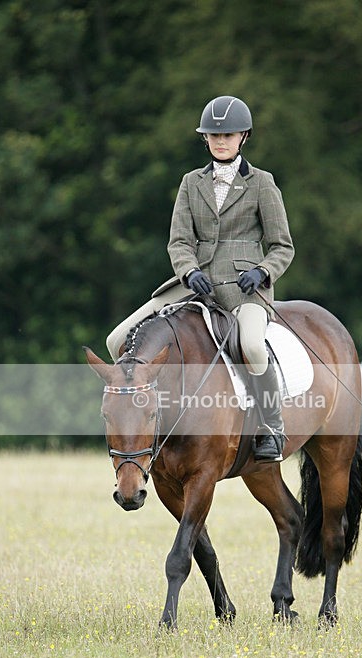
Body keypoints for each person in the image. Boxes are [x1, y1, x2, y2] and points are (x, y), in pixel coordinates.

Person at [106, 95, 295, 462]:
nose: (220, 141)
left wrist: (262, 271)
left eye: (228, 135)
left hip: (245, 289)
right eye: (213, 135)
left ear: (243, 137)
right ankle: (146, 422)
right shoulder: (191, 183)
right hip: (194, 283)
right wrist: (189, 271)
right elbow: (179, 240)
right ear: (205, 139)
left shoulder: (262, 184)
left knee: (253, 346)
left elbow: (282, 246)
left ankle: (271, 426)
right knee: (116, 340)